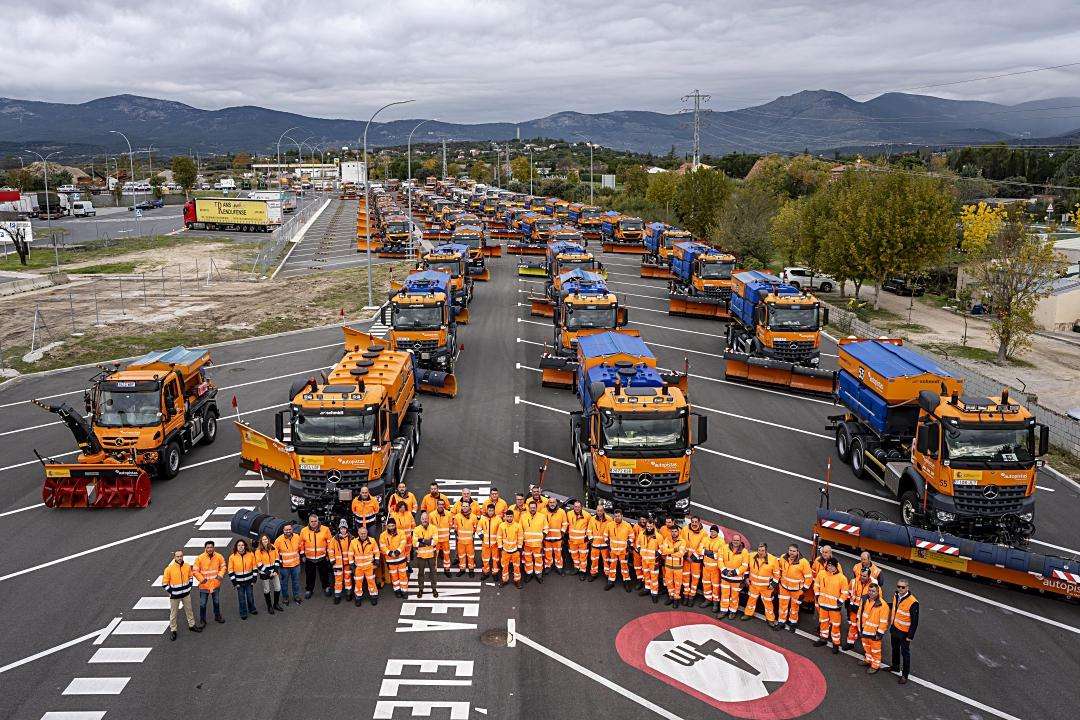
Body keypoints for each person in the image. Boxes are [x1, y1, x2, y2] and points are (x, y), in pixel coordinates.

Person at [162, 549, 202, 640]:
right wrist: (172, 592)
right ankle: (173, 630)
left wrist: (189, 587)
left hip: (186, 594)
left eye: (181, 556)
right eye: (178, 556)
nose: (180, 558)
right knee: (173, 613)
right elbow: (164, 583)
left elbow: (190, 577)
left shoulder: (187, 566)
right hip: (174, 596)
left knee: (189, 610)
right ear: (174, 557)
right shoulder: (169, 569)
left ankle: (192, 626)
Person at [813, 557, 849, 653]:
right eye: (828, 565)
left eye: (832, 566)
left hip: (834, 607)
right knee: (823, 622)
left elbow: (845, 592)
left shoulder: (842, 578)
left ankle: (836, 643)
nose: (829, 567)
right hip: (823, 604)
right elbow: (816, 585)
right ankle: (823, 639)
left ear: (836, 567)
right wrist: (817, 594)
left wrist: (840, 602)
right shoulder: (821, 574)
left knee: (835, 626)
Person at [774, 544, 813, 632]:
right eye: (790, 550)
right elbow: (778, 569)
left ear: (798, 552)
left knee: (794, 608)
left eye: (794, 551)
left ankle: (793, 623)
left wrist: (804, 590)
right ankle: (781, 622)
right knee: (782, 606)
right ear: (788, 550)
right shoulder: (783, 558)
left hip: (797, 590)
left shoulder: (803, 562)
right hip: (784, 588)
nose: (791, 553)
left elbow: (809, 577)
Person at [890, 580, 919, 684]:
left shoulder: (913, 602)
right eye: (899, 587)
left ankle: (905, 675)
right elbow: (895, 608)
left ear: (907, 587)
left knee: (905, 653)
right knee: (895, 648)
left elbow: (915, 621)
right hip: (895, 628)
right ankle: (895, 666)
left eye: (903, 587)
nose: (900, 589)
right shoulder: (896, 595)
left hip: (904, 633)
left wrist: (910, 636)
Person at [743, 543, 778, 624]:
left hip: (766, 587)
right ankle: (748, 614)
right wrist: (746, 577)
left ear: (766, 551)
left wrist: (773, 584)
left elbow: (777, 574)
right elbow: (747, 568)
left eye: (762, 551)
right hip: (753, 585)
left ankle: (770, 619)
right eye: (759, 550)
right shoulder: (751, 556)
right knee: (751, 600)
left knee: (768, 603)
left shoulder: (773, 560)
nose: (760, 552)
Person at [193, 540, 226, 627]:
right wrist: (202, 579)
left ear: (214, 548)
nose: (209, 549)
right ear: (205, 548)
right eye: (208, 547)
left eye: (211, 547)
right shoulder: (199, 558)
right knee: (203, 604)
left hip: (215, 585)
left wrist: (220, 576)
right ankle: (203, 619)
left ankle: (217, 616)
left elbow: (223, 567)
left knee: (216, 602)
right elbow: (195, 571)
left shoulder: (219, 557)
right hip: (204, 586)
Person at [858, 584, 890, 674]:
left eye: (873, 591)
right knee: (866, 647)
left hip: (874, 633)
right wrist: (859, 627)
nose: (871, 593)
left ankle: (875, 666)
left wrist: (879, 634)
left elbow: (883, 622)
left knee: (875, 651)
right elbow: (860, 614)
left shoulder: (883, 606)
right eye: (869, 591)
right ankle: (868, 660)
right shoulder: (865, 600)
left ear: (878, 592)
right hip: (864, 631)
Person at [299, 514, 332, 599]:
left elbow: (330, 543)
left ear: (318, 521)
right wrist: (302, 555)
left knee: (324, 574)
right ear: (309, 522)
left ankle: (326, 587)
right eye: (312, 521)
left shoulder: (325, 530)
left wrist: (328, 555)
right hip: (309, 558)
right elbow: (301, 544)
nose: (313, 523)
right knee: (310, 575)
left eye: (315, 521)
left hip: (322, 557)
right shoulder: (304, 531)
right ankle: (309, 589)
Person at [719, 535, 749, 619]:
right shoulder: (724, 548)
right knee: (724, 595)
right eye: (734, 540)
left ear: (740, 541)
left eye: (737, 540)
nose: (736, 542)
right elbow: (720, 560)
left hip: (737, 579)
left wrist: (734, 572)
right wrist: (725, 571)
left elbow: (745, 565)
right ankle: (723, 610)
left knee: (734, 597)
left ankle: (732, 611)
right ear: (732, 540)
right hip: (725, 577)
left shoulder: (744, 552)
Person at [350, 526, 381, 606]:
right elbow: (350, 554)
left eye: (364, 533)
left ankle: (374, 597)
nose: (363, 535)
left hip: (369, 566)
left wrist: (377, 561)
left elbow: (377, 552)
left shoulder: (372, 541)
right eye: (361, 533)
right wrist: (351, 564)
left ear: (367, 533)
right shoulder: (353, 542)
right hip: (358, 567)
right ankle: (358, 598)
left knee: (371, 582)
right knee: (358, 583)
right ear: (358, 533)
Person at [227, 538, 258, 620]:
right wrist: (234, 583)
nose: (241, 547)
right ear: (236, 547)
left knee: (250, 596)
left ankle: (252, 609)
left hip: (249, 581)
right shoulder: (232, 557)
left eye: (242, 545)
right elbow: (230, 571)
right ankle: (243, 612)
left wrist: (254, 579)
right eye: (239, 545)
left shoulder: (251, 554)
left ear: (245, 546)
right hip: (239, 582)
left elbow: (254, 567)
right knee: (241, 599)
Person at [379, 518, 410, 599]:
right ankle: (397, 590)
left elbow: (403, 542)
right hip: (391, 560)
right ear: (387, 526)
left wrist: (398, 551)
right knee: (394, 576)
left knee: (403, 575)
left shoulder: (401, 532)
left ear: (395, 525)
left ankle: (404, 590)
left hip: (401, 558)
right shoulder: (383, 535)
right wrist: (389, 552)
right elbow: (382, 546)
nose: (391, 527)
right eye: (389, 526)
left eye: (392, 525)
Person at [846, 566, 875, 650]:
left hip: (866, 612)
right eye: (861, 575)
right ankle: (850, 643)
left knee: (866, 630)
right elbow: (849, 594)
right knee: (853, 626)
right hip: (854, 609)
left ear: (869, 576)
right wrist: (848, 607)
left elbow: (876, 599)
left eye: (864, 576)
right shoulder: (854, 582)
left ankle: (867, 650)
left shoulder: (874, 585)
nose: (862, 577)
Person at [519, 500, 548, 584]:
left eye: (534, 507)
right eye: (531, 507)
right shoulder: (523, 516)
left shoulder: (542, 517)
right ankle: (529, 573)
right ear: (528, 508)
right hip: (527, 544)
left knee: (538, 559)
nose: (532, 509)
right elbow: (520, 530)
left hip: (537, 544)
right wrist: (521, 542)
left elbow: (546, 528)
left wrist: (542, 537)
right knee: (528, 560)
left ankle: (538, 574)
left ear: (536, 508)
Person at [274, 523, 303, 606]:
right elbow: (275, 553)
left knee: (296, 582)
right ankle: (285, 597)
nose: (288, 531)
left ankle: (296, 596)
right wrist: (278, 563)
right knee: (284, 583)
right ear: (283, 531)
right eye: (286, 530)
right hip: (284, 567)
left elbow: (300, 547)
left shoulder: (297, 537)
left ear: (292, 529)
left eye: (289, 529)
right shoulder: (278, 540)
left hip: (296, 565)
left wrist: (302, 556)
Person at [255, 534, 284, 615]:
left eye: (266, 539)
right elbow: (259, 564)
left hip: (274, 572)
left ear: (268, 540)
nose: (265, 541)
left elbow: (277, 559)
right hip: (265, 573)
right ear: (261, 541)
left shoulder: (273, 547)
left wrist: (275, 570)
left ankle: (276, 604)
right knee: (267, 590)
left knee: (278, 588)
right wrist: (269, 573)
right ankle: (269, 606)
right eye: (263, 539)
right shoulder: (258, 551)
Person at [413, 511, 440, 598]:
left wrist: (422, 540)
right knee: (421, 573)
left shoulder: (434, 528)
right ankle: (421, 589)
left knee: (433, 573)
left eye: (426, 518)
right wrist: (428, 541)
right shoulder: (416, 529)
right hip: (421, 556)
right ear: (420, 520)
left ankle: (434, 589)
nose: (425, 520)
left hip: (431, 555)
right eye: (423, 519)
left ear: (428, 519)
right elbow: (414, 543)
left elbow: (435, 541)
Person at [606, 509, 634, 592]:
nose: (617, 518)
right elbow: (605, 535)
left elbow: (632, 537)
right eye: (616, 516)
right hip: (613, 551)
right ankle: (610, 582)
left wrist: (627, 545)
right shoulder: (610, 525)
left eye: (618, 516)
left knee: (624, 567)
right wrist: (608, 544)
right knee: (612, 566)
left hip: (623, 551)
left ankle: (626, 582)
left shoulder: (627, 525)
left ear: (622, 516)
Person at [659, 523, 686, 606]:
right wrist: (675, 550)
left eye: (675, 531)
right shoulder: (667, 539)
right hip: (668, 566)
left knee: (678, 583)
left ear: (678, 532)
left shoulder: (683, 541)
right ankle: (671, 596)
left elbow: (681, 554)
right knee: (669, 582)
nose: (674, 533)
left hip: (678, 567)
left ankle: (676, 598)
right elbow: (664, 551)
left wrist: (669, 552)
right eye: (672, 531)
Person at [635, 518, 662, 603]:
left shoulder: (658, 536)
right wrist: (639, 549)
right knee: (646, 575)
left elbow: (662, 547)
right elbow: (638, 543)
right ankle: (647, 588)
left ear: (653, 525)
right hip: (644, 560)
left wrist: (658, 554)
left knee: (654, 578)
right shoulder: (641, 534)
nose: (649, 528)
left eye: (650, 526)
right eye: (647, 526)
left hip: (654, 561)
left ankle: (654, 593)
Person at [327, 522, 354, 604]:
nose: (343, 530)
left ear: (347, 529)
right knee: (338, 580)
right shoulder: (334, 539)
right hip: (337, 564)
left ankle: (348, 593)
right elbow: (330, 550)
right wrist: (332, 559)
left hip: (348, 564)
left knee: (348, 579)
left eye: (344, 528)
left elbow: (355, 550)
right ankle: (337, 595)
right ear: (339, 529)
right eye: (341, 528)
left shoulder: (352, 538)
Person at [700, 525, 725, 611]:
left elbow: (719, 555)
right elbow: (700, 550)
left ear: (717, 533)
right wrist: (712, 554)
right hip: (706, 567)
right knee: (706, 584)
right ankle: (707, 599)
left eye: (714, 531)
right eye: (711, 531)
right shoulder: (705, 539)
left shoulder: (721, 542)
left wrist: (706, 552)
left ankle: (715, 603)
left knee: (715, 586)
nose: (712, 533)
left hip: (715, 569)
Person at [497, 509, 524, 588]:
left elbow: (520, 537)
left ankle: (517, 581)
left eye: (511, 516)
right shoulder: (502, 525)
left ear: (513, 517)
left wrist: (519, 547)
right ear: (505, 517)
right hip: (505, 550)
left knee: (516, 566)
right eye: (508, 516)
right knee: (504, 566)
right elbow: (499, 537)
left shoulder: (517, 526)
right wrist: (500, 546)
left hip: (515, 550)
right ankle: (505, 580)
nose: (509, 518)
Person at [542, 496, 568, 575]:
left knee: (558, 554)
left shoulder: (561, 512)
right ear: (548, 503)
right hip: (547, 538)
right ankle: (548, 566)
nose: (552, 504)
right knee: (547, 554)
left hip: (558, 538)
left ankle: (559, 567)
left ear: (556, 503)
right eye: (550, 502)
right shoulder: (543, 511)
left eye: (553, 502)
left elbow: (564, 524)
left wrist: (562, 534)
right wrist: (542, 536)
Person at [566, 501, 591, 578]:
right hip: (572, 541)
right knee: (574, 555)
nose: (577, 508)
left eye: (578, 507)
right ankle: (576, 568)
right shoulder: (569, 514)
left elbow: (590, 528)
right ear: (573, 507)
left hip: (582, 541)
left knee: (583, 557)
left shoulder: (587, 515)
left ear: (581, 507)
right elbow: (567, 525)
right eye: (575, 506)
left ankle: (582, 571)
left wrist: (587, 538)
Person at [454, 500, 479, 577]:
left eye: (466, 506)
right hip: (460, 541)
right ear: (461, 507)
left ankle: (471, 569)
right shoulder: (457, 516)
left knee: (471, 556)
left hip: (469, 541)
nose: (465, 508)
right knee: (461, 556)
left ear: (469, 507)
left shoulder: (474, 517)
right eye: (463, 506)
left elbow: (475, 528)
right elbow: (455, 528)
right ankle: (462, 569)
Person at [586, 505, 611, 582]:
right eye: (598, 510)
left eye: (601, 510)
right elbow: (589, 530)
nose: (599, 512)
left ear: (603, 511)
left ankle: (608, 575)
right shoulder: (592, 519)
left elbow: (612, 531)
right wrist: (591, 539)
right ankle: (593, 574)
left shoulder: (609, 519)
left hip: (605, 545)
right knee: (594, 561)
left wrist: (609, 542)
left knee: (606, 561)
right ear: (596, 511)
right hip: (595, 544)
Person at [478, 503, 502, 579]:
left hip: (495, 544)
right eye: (489, 510)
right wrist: (482, 537)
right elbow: (478, 529)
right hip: (485, 544)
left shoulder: (498, 519)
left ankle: (495, 573)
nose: (491, 512)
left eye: (492, 510)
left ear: (494, 510)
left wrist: (499, 540)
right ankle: (486, 572)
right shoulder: (483, 519)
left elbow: (501, 530)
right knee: (485, 559)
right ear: (487, 510)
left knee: (495, 559)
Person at [430, 498, 454, 575]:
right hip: (436, 540)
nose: (441, 506)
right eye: (439, 504)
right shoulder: (431, 515)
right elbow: (430, 527)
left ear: (444, 505)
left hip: (445, 539)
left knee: (446, 555)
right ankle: (434, 571)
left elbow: (450, 525)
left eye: (442, 504)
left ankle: (447, 569)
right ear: (437, 505)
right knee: (434, 556)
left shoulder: (449, 514)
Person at [630, 516, 648, 589]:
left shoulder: (650, 527)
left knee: (646, 568)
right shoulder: (636, 527)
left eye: (644, 519)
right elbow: (632, 537)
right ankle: (640, 581)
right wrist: (632, 547)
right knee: (637, 567)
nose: (643, 521)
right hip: (637, 551)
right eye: (641, 519)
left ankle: (646, 583)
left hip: (647, 553)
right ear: (639, 520)